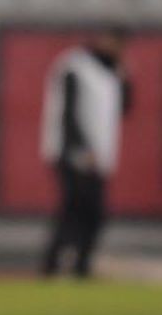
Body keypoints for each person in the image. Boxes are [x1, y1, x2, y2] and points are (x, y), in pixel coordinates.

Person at [39, 29, 131, 278]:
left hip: (99, 157)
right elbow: (68, 112)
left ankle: (80, 265)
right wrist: (81, 148)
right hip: (73, 154)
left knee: (91, 214)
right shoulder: (75, 66)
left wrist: (125, 80)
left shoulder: (111, 73)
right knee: (74, 211)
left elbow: (124, 108)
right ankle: (53, 266)